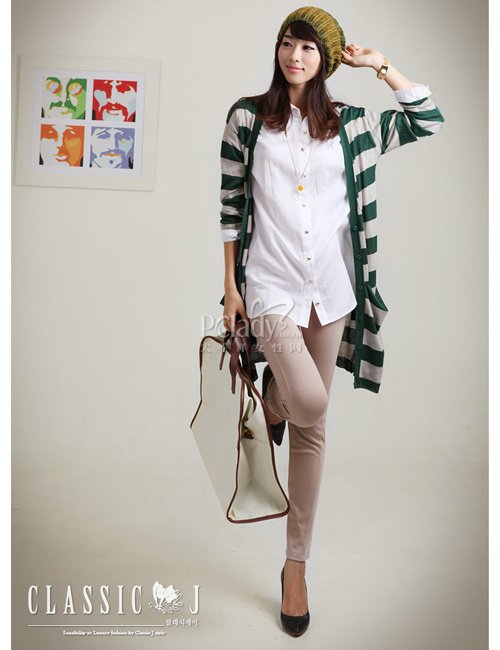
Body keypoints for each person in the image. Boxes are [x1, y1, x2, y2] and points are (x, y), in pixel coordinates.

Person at [218, 5, 444, 637]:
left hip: (333, 293)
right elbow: (230, 205)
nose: (295, 56)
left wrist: (380, 66)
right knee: (312, 403)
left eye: (310, 48)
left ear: (326, 59)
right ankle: (276, 403)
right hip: (269, 289)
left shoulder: (352, 124)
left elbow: (427, 117)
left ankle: (295, 567)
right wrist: (229, 287)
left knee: (312, 430)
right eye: (288, 43)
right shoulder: (246, 118)